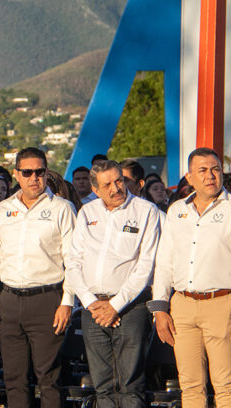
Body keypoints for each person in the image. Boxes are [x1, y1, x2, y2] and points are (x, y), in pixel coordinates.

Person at [149, 148, 231, 408]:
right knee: (189, 386)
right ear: (189, 177)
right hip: (182, 306)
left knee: (226, 385)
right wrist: (159, 308)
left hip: (222, 303)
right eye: (203, 170)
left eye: (215, 169)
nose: (211, 175)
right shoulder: (177, 211)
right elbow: (164, 261)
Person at [0, 147, 76, 408]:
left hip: (48, 300)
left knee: (48, 378)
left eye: (40, 172)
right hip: (9, 301)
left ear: (46, 173)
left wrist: (67, 301)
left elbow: (73, 261)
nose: (34, 177)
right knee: (13, 378)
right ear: (17, 175)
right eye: (27, 172)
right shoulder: (3, 209)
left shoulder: (62, 208)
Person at [65, 160, 161, 408]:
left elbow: (146, 266)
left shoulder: (146, 211)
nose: (116, 188)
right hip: (93, 308)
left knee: (130, 385)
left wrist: (115, 305)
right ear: (95, 189)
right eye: (107, 184)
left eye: (119, 180)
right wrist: (91, 303)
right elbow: (73, 262)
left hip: (131, 307)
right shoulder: (87, 212)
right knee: (103, 386)